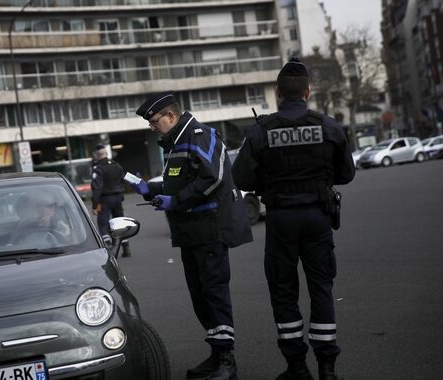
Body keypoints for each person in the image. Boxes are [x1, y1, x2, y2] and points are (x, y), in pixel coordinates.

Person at [231, 57, 356, 380]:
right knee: (321, 289)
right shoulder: (328, 126)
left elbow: (241, 178)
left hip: (281, 219)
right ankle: (327, 369)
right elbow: (347, 173)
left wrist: (270, 181)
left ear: (277, 92)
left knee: (284, 292)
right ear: (308, 92)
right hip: (318, 216)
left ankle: (297, 368)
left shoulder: (262, 131)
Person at [131, 91, 253, 380]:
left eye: (154, 120)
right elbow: (180, 185)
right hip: (190, 233)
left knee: (214, 293)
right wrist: (153, 190)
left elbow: (213, 178)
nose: (151, 126)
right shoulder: (174, 145)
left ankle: (227, 361)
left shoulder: (200, 135)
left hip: (209, 230)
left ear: (171, 116)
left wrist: (177, 200)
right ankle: (216, 353)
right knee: (200, 297)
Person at [90, 144, 131, 257]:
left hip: (105, 199)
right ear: (107, 154)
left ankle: (109, 250)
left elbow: (97, 188)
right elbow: (123, 178)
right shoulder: (116, 165)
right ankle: (126, 248)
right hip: (118, 198)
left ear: (96, 156)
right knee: (119, 223)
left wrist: (95, 205)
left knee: (103, 224)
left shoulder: (97, 168)